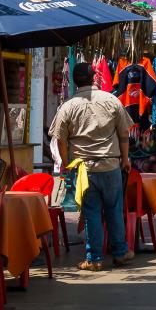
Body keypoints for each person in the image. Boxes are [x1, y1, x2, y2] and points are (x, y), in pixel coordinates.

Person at [50, 63, 134, 272]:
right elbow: (124, 134)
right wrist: (125, 159)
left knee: (92, 213)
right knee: (114, 210)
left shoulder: (68, 106)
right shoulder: (112, 100)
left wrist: (66, 162)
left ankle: (94, 258)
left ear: (75, 81)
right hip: (111, 165)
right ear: (94, 78)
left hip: (85, 169)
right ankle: (121, 252)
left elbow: (61, 139)